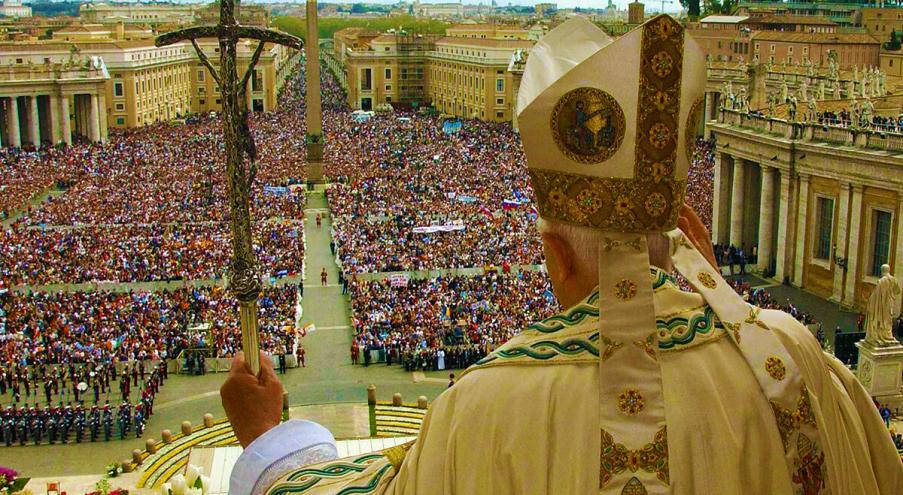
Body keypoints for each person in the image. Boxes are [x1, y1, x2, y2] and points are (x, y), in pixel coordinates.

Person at [222, 17, 902, 495]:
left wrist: (268, 443)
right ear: (685, 234)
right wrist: (726, 311)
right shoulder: (790, 358)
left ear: (554, 254)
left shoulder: (489, 405)